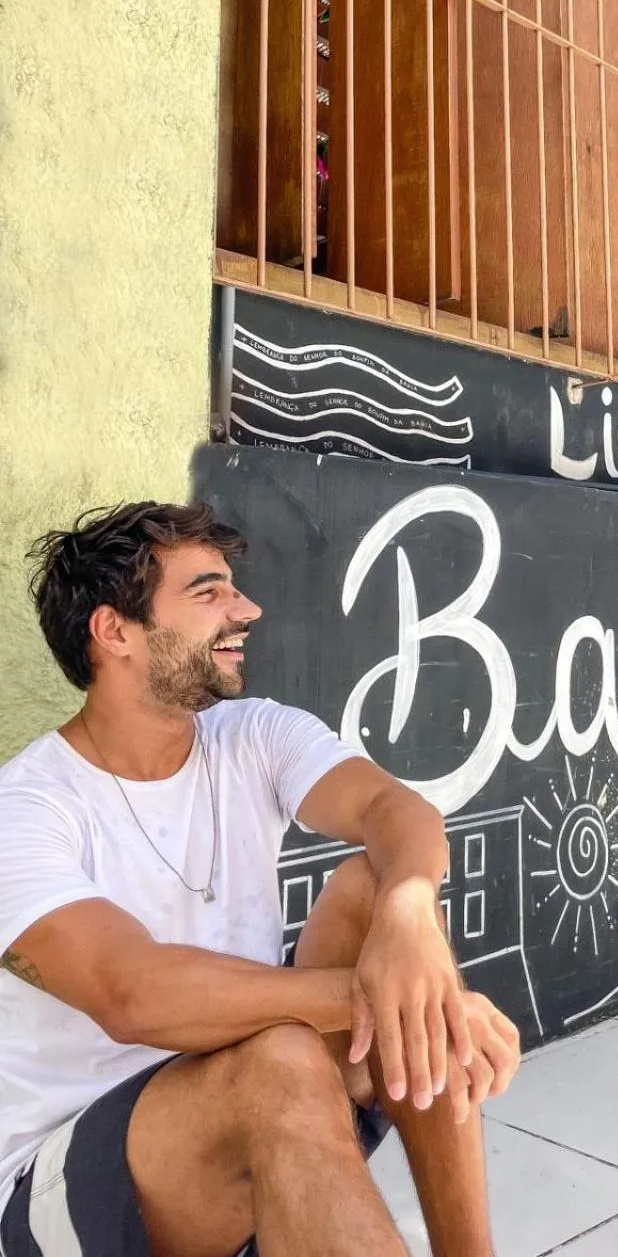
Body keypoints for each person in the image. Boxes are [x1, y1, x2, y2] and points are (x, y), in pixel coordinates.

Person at [0, 501, 520, 1257]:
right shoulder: (27, 807)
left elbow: (391, 809)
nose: (247, 610)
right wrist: (401, 998)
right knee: (282, 1058)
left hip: (245, 1081)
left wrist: (408, 912)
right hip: (65, 1186)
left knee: (377, 890)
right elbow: (131, 994)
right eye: (209, 593)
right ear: (115, 633)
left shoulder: (253, 735)